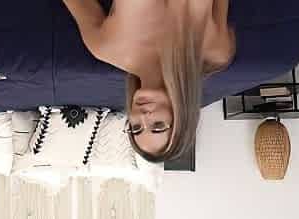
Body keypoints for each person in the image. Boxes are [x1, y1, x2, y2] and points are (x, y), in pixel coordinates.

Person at [61, 0, 236, 163]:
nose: (143, 116)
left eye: (136, 127)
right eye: (157, 126)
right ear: (182, 121)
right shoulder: (216, 53)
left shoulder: (106, 47)